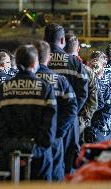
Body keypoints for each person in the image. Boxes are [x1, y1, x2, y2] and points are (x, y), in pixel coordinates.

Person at [0, 45, 57, 181]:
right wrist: (36, 150)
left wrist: (8, 147)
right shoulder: (45, 88)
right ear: (35, 63)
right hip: (39, 156)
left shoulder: (3, 89)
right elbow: (50, 124)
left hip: (9, 154)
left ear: (16, 62)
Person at [44, 23, 89, 174]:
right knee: (69, 159)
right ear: (62, 40)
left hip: (43, 121)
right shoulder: (74, 62)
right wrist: (72, 113)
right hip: (69, 119)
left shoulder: (38, 62)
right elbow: (83, 93)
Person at [35, 40, 78, 181]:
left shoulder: (21, 81)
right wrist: (59, 131)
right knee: (55, 175)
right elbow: (72, 109)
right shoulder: (60, 81)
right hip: (54, 137)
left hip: (28, 140)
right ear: (49, 58)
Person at [64, 33, 98, 144]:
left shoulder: (51, 68)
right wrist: (84, 119)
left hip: (57, 120)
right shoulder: (87, 70)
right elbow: (93, 100)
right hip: (79, 121)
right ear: (78, 49)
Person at [88, 58, 111, 142]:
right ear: (102, 72)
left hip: (87, 125)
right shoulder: (105, 87)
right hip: (100, 127)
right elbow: (109, 107)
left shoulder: (82, 85)